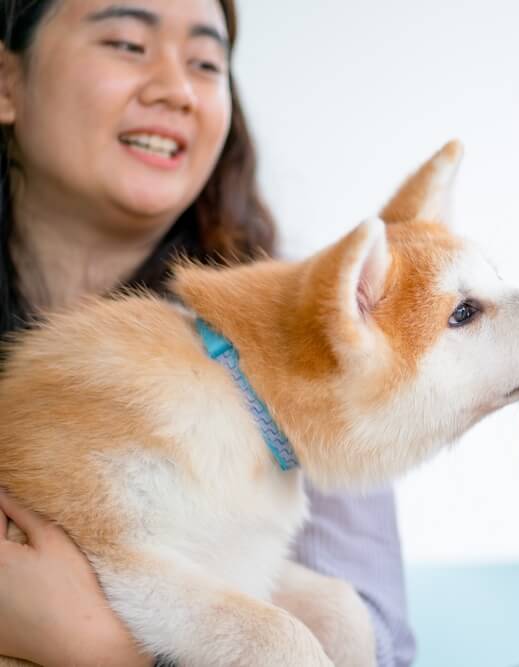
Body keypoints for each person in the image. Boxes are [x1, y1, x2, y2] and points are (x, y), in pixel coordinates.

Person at [0, 1, 414, 665]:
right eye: (127, 44)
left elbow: (373, 638)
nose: (177, 88)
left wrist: (96, 645)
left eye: (205, 61)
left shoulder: (311, 327)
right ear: (7, 83)